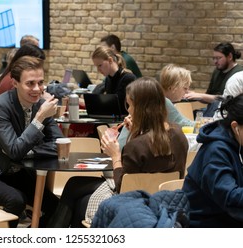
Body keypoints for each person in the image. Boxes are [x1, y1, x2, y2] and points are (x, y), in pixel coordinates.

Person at [47, 77, 188, 227]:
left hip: (136, 203)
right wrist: (135, 133)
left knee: (81, 200)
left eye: (130, 105)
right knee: (74, 184)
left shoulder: (137, 146)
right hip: (165, 200)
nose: (128, 110)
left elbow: (123, 187)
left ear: (141, 108)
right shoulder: (179, 135)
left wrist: (115, 155)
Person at [0, 55, 63, 227]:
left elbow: (59, 143)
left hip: (22, 172)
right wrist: (40, 117)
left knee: (57, 206)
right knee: (16, 200)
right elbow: (14, 151)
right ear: (15, 83)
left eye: (40, 82)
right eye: (30, 83)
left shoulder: (40, 104)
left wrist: (31, 152)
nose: (37, 89)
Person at [183, 94, 243, 227]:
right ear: (235, 127)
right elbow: (229, 197)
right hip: (205, 224)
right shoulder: (215, 151)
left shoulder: (239, 142)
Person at [118, 64, 194, 150]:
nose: (187, 91)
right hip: (128, 149)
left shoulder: (158, 100)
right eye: (185, 88)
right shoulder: (164, 102)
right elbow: (184, 124)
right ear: (173, 87)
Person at [185, 42, 243, 116]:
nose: (215, 61)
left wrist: (200, 95)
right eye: (214, 58)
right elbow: (208, 98)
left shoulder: (238, 74)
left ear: (230, 56)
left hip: (227, 114)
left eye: (218, 58)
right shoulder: (217, 71)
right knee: (190, 115)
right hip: (212, 110)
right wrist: (193, 96)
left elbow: (225, 100)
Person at [91, 45, 136, 116]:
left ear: (110, 60)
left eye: (100, 65)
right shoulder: (108, 79)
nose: (98, 70)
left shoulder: (128, 78)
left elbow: (119, 107)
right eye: (96, 66)